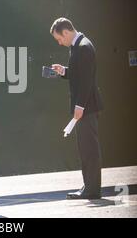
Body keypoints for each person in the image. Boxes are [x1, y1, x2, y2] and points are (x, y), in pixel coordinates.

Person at [50, 17, 103, 199]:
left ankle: (92, 189)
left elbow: (87, 81)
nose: (60, 42)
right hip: (84, 107)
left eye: (59, 39)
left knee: (89, 149)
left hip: (87, 107)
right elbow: (79, 74)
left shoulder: (83, 47)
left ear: (66, 32)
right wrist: (63, 71)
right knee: (85, 148)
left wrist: (79, 106)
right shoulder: (78, 46)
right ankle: (88, 187)